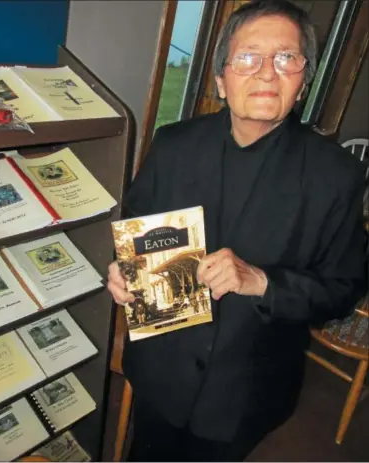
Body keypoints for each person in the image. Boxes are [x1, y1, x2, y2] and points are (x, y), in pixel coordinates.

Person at [107, 1, 367, 461]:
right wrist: (122, 271)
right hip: (159, 371)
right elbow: (136, 228)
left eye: (287, 58)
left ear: (303, 82)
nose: (267, 73)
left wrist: (262, 282)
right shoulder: (173, 144)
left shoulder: (337, 175)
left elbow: (342, 290)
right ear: (222, 81)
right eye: (248, 57)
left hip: (245, 394)